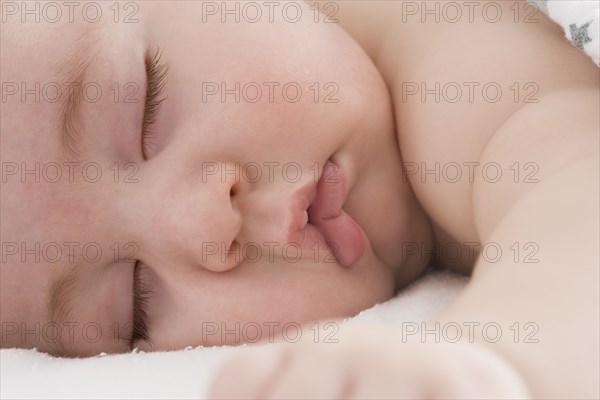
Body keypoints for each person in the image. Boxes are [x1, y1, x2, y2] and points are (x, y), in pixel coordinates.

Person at [1, 1, 597, 398]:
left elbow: (576, 187)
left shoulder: (450, 62)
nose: (207, 223)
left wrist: (490, 360)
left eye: (144, 109)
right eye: (134, 303)